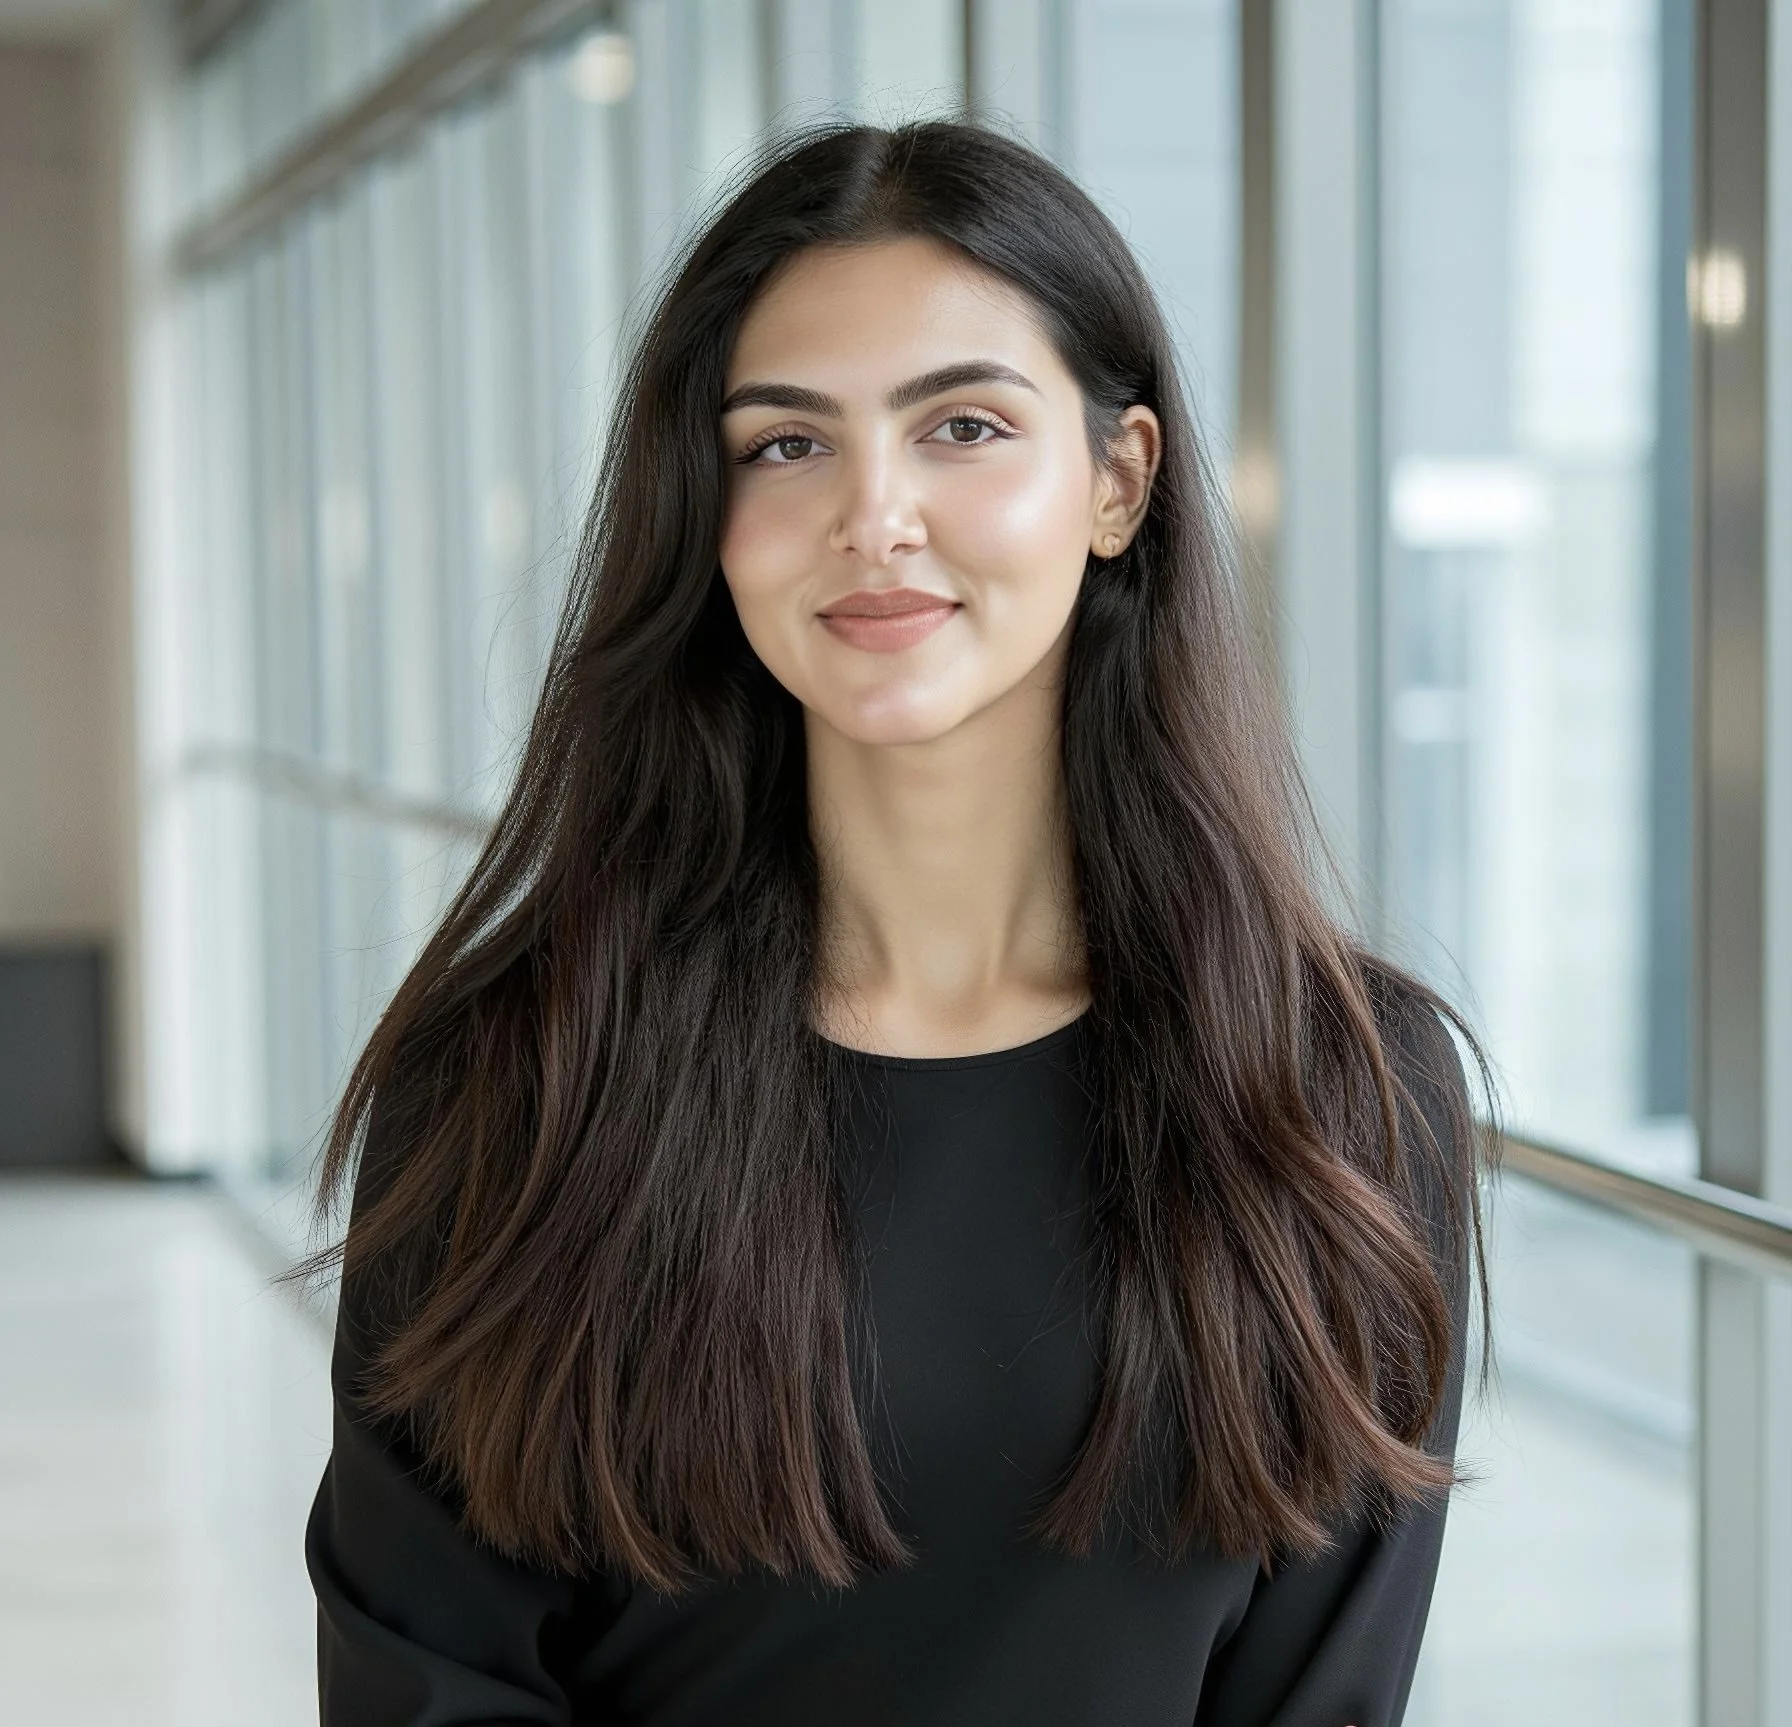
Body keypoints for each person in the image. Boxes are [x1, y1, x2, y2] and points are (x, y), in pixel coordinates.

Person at [293, 117, 1497, 1726]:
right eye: (786, 445)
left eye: (964, 428)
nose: (874, 514)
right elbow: (425, 1686)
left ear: (1119, 480)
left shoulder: (1343, 1090)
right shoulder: (520, 1076)